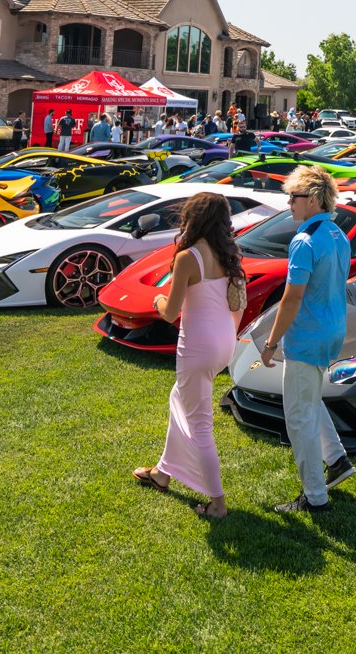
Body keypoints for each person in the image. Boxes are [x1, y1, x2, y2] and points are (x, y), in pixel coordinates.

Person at [132, 192, 246, 516]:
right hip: (224, 343)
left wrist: (156, 300)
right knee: (179, 399)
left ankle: (218, 504)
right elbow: (238, 302)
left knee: (200, 424)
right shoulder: (230, 254)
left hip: (198, 348)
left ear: (193, 218)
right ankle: (162, 473)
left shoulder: (188, 257)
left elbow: (170, 313)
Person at [257, 166, 353, 514]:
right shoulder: (338, 234)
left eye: (293, 197)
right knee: (310, 400)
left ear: (312, 200)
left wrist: (270, 343)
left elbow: (292, 297)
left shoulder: (304, 240)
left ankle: (315, 496)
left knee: (299, 416)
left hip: (309, 336)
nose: (289, 204)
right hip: (332, 331)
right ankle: (337, 459)